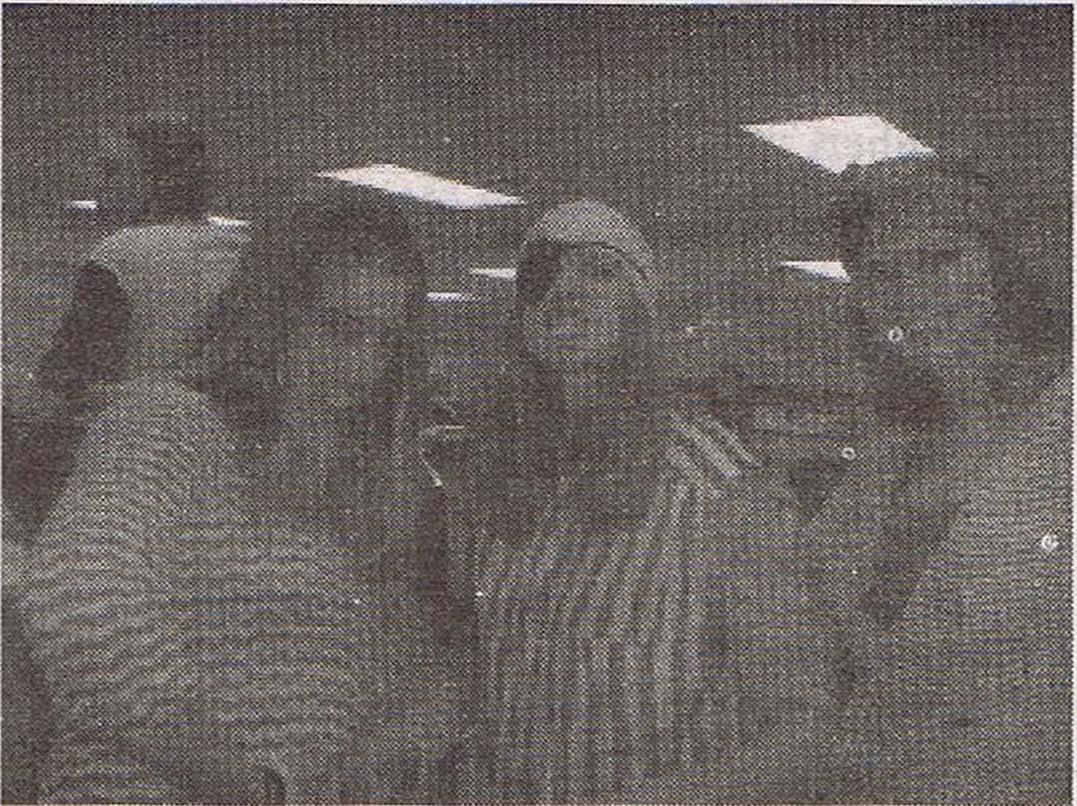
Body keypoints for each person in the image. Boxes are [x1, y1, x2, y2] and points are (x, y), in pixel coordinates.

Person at [16, 179, 452, 803]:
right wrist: (236, 782)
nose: (361, 364)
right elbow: (81, 605)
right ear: (271, 317)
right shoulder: (169, 424)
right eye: (338, 327)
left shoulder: (358, 488)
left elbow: (389, 679)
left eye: (384, 339)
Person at [469, 200, 836, 803]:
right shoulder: (510, 481)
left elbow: (804, 731)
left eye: (599, 271)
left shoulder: (719, 490)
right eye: (544, 273)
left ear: (640, 314)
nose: (565, 291)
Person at [833, 154, 1071, 802]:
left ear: (997, 269)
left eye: (940, 259)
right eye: (881, 273)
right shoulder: (884, 457)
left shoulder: (1060, 430)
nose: (911, 292)